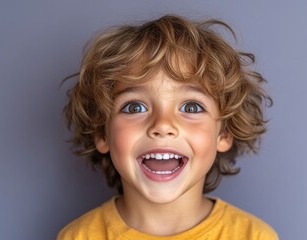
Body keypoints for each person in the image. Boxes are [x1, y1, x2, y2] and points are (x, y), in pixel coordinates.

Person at [58, 14, 278, 240]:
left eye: (191, 107)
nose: (163, 125)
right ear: (101, 133)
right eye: (134, 107)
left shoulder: (254, 236)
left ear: (224, 133)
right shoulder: (78, 237)